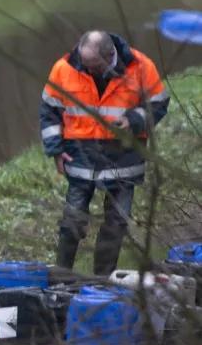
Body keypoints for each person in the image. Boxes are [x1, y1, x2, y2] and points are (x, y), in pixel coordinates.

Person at [40, 30, 169, 276]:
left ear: (110, 55)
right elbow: (49, 110)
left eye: (94, 65)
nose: (88, 69)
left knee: (117, 222)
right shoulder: (65, 68)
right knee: (73, 219)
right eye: (84, 64)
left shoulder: (141, 66)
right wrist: (55, 149)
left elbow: (159, 102)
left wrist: (134, 120)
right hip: (79, 156)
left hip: (124, 157)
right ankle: (62, 274)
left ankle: (102, 278)